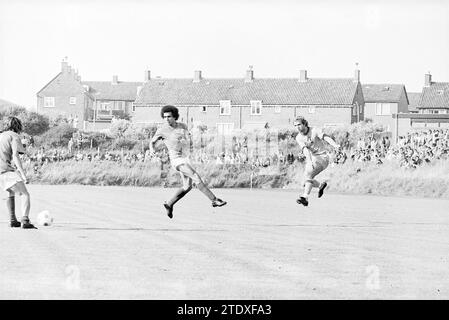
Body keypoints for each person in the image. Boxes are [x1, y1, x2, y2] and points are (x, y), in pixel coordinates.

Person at [150, 105, 227, 219]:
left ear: (174, 116)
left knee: (187, 187)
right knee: (195, 176)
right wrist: (152, 150)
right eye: (165, 117)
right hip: (176, 160)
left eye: (169, 116)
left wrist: (189, 140)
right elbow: (152, 142)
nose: (166, 119)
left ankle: (169, 203)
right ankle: (214, 200)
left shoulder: (182, 126)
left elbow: (188, 141)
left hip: (186, 158)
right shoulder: (162, 130)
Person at [293, 116, 340, 207]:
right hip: (312, 158)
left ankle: (305, 197)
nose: (297, 127)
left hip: (323, 157)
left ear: (304, 124)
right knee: (305, 182)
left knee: (309, 176)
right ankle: (320, 186)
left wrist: (335, 145)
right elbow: (305, 150)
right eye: (295, 125)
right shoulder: (298, 137)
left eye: (299, 124)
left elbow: (326, 138)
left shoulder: (314, 130)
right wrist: (309, 161)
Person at [0, 117, 36, 228]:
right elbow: (16, 155)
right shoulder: (14, 136)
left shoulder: (1, 135)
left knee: (10, 192)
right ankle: (25, 220)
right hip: (6, 169)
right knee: (25, 194)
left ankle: (13, 220)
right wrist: (23, 175)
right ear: (17, 126)